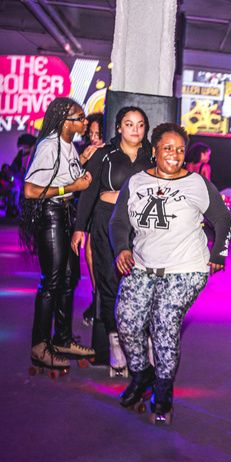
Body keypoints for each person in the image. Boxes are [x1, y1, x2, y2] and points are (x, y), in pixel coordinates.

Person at [110, 123, 231, 424]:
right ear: (155, 151)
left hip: (186, 268)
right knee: (126, 320)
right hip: (141, 264)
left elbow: (223, 218)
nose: (174, 154)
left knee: (164, 322)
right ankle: (141, 375)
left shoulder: (197, 184)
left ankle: (163, 391)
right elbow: (119, 222)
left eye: (180, 149)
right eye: (168, 148)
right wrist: (122, 249)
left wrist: (219, 253)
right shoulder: (137, 181)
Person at [72, 107, 152, 372]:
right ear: (119, 127)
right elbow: (89, 190)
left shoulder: (151, 155)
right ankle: (115, 342)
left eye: (140, 125)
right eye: (129, 124)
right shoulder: (105, 154)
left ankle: (142, 343)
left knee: (139, 284)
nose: (135, 130)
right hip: (106, 219)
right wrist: (79, 227)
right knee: (108, 282)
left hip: (139, 224)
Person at [20, 97, 96, 375]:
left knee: (68, 278)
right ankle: (39, 345)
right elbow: (30, 190)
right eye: (80, 118)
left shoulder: (68, 145)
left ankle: (62, 340)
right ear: (65, 121)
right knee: (51, 281)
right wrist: (71, 187)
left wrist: (84, 159)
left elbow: (67, 176)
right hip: (50, 216)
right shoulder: (49, 145)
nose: (84, 122)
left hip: (63, 215)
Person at [76, 111, 105, 327]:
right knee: (88, 253)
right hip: (89, 205)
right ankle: (97, 299)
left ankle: (101, 301)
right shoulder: (87, 151)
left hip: (106, 208)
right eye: (91, 133)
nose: (94, 138)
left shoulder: (111, 152)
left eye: (98, 134)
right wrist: (84, 158)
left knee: (98, 254)